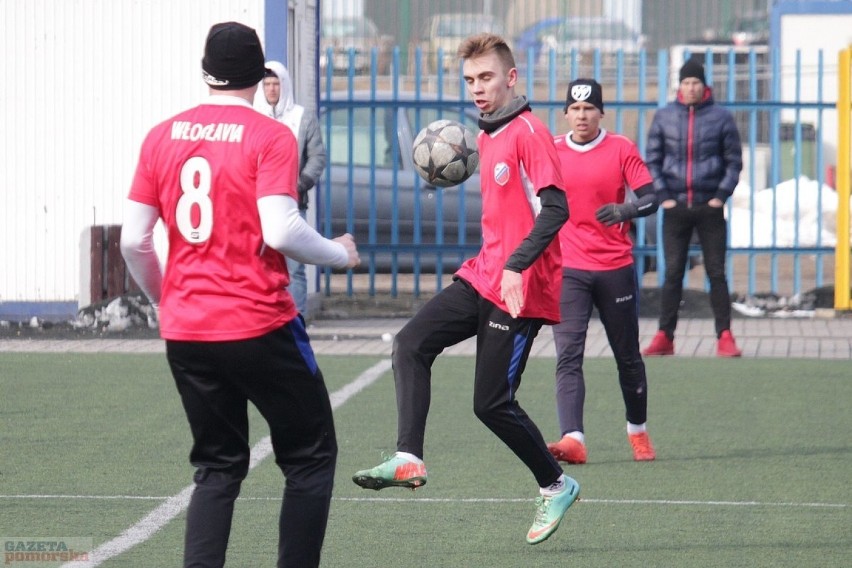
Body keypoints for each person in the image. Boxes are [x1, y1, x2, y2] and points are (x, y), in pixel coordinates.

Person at [119, 21, 359, 568]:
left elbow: (134, 241)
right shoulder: (270, 135)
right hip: (257, 323)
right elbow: (280, 230)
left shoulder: (161, 135)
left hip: (186, 330)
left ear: (205, 72)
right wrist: (339, 252)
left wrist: (167, 299)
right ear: (260, 74)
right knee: (309, 457)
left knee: (218, 466)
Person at [351, 33, 579, 546]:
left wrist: (518, 266)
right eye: (470, 80)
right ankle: (408, 456)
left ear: (511, 78)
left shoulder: (528, 131)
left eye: (487, 78)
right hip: (483, 274)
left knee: (491, 403)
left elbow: (557, 209)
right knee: (410, 343)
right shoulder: (486, 134)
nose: (477, 88)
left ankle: (556, 484)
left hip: (521, 286)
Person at [547, 79, 658, 465]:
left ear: (600, 112)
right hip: (570, 270)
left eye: (589, 108)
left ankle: (638, 430)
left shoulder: (621, 148)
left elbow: (651, 197)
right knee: (568, 355)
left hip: (614, 268)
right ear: (566, 113)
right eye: (575, 109)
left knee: (627, 357)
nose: (582, 115)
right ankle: (573, 438)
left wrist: (627, 210)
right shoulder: (553, 150)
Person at [643, 56, 744, 358]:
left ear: (704, 85)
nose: (690, 88)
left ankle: (725, 336)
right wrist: (665, 197)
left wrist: (720, 197)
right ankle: (665, 336)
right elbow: (653, 160)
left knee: (716, 272)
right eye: (686, 83)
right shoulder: (664, 117)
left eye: (695, 82)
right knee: (672, 273)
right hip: (675, 209)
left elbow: (734, 162)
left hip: (709, 207)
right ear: (680, 86)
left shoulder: (721, 118)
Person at [260, 61, 327, 317]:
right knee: (261, 265)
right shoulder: (255, 115)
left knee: (294, 267)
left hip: (292, 204)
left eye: (276, 83)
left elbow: (317, 157)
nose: (272, 89)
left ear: (284, 85)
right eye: (266, 84)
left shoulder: (301, 117)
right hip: (259, 206)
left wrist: (299, 185)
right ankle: (267, 318)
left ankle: (296, 320)